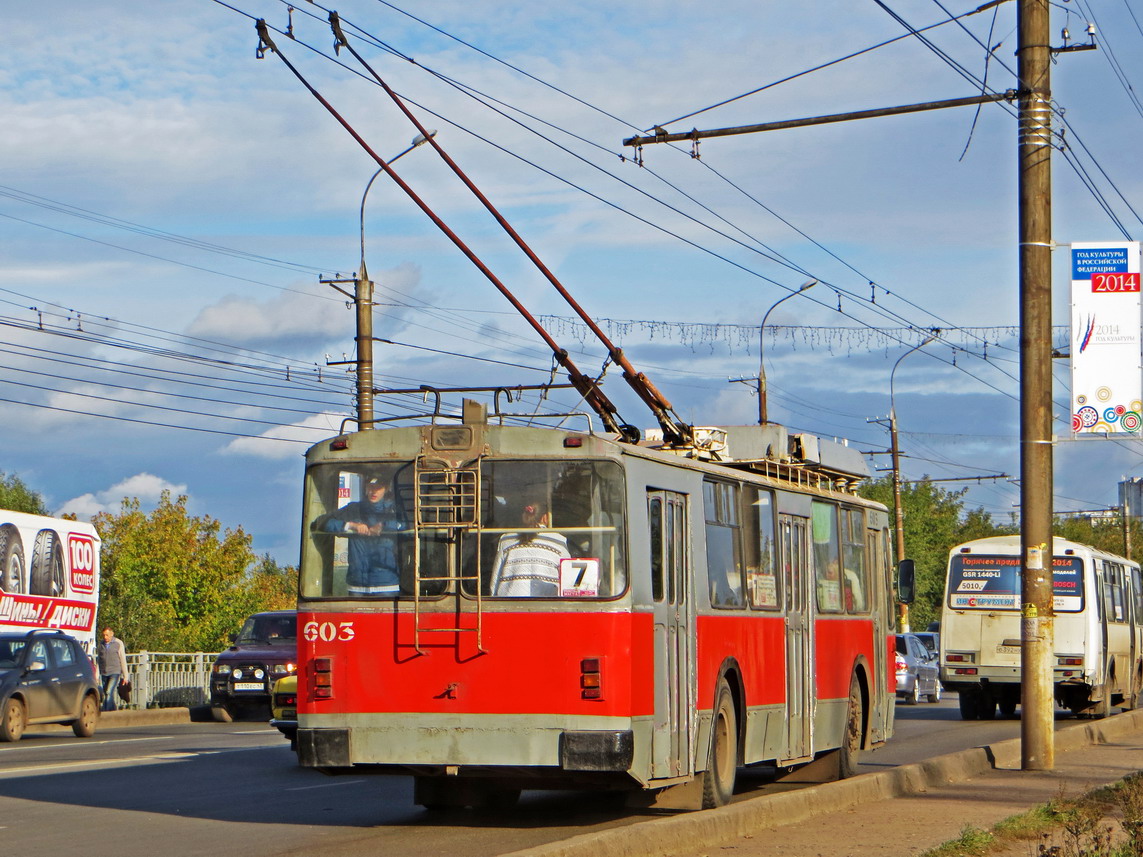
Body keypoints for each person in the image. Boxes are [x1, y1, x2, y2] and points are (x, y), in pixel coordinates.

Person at [322, 476, 406, 595]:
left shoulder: (393, 510)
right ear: (366, 488)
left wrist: (384, 526)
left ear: (386, 489)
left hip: (387, 586)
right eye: (371, 487)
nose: (374, 491)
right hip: (356, 586)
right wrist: (350, 525)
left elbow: (406, 525)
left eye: (378, 488)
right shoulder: (353, 509)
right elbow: (325, 523)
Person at [490, 501, 570, 597]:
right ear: (545, 518)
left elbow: (494, 582)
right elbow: (568, 579)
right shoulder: (558, 541)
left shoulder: (506, 539)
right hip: (549, 604)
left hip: (510, 603)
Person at [98, 627, 128, 712]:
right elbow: (99, 659)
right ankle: (113, 709)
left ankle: (105, 711)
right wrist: (97, 674)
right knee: (106, 693)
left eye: (107, 635)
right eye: (104, 635)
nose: (105, 637)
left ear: (112, 634)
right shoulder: (101, 644)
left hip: (115, 671)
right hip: (104, 672)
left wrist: (126, 675)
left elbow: (122, 659)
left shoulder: (118, 643)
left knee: (108, 691)